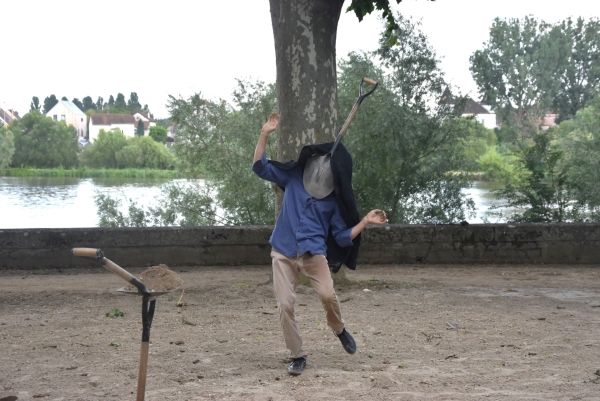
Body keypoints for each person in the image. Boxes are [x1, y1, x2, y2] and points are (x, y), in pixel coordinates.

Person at [252, 112, 387, 375]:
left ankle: (338, 328)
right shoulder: (292, 178)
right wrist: (265, 133)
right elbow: (260, 167)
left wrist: (365, 222)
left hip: (313, 253)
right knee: (285, 304)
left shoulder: (332, 202)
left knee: (327, 294)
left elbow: (340, 236)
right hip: (283, 251)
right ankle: (297, 355)